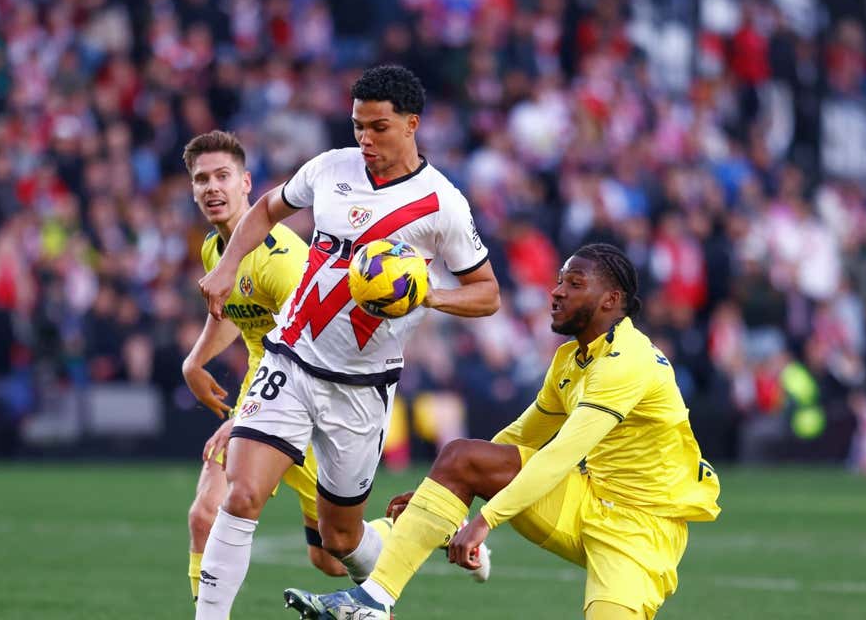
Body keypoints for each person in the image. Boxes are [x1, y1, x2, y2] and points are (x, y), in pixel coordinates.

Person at [195, 65, 500, 620]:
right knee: (240, 497)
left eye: (378, 127)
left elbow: (487, 294)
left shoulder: (442, 205)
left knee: (338, 542)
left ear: (412, 124)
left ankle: (428, 543)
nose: (365, 139)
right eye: (358, 125)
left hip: (362, 386)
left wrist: (427, 294)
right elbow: (266, 208)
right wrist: (228, 266)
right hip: (292, 357)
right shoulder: (331, 169)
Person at [284, 244, 722, 620]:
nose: (555, 292)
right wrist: (442, 493)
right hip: (586, 497)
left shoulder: (628, 362)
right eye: (559, 281)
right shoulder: (571, 358)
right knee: (461, 458)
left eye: (573, 284)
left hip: (642, 528)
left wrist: (483, 522)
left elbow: (559, 455)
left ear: (610, 299)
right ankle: (373, 601)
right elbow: (520, 439)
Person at [182, 129, 372, 605]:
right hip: (264, 391)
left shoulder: (281, 260)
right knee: (206, 515)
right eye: (201, 179)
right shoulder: (216, 249)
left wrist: (243, 418)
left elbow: (308, 342)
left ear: (247, 183)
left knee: (333, 553)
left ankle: (413, 530)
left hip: (306, 401)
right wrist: (195, 361)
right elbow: (234, 312)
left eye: (222, 176)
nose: (212, 188)